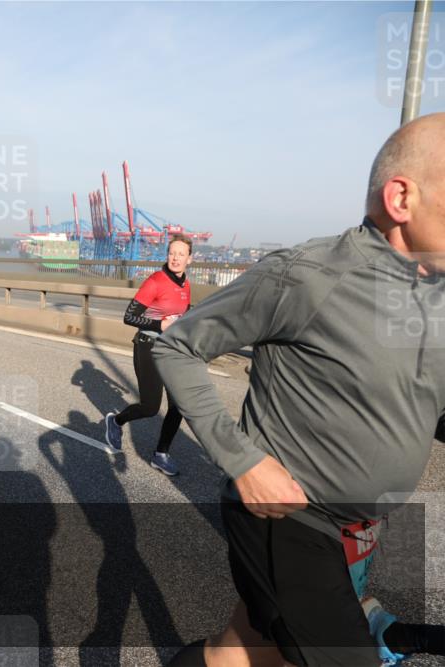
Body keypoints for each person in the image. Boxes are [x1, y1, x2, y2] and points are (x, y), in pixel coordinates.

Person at [157, 113, 445, 666]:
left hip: (357, 526)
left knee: (244, 652)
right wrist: (243, 462)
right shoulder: (308, 275)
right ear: (402, 198)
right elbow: (177, 347)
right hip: (288, 517)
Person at [104, 235, 193, 476]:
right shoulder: (155, 281)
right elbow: (129, 316)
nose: (175, 258)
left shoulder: (186, 284)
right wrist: (159, 325)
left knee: (179, 405)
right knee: (150, 407)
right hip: (148, 347)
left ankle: (161, 454)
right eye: (172, 253)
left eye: (180, 254)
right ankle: (116, 421)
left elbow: (180, 314)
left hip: (172, 350)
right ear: (167, 255)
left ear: (189, 259)